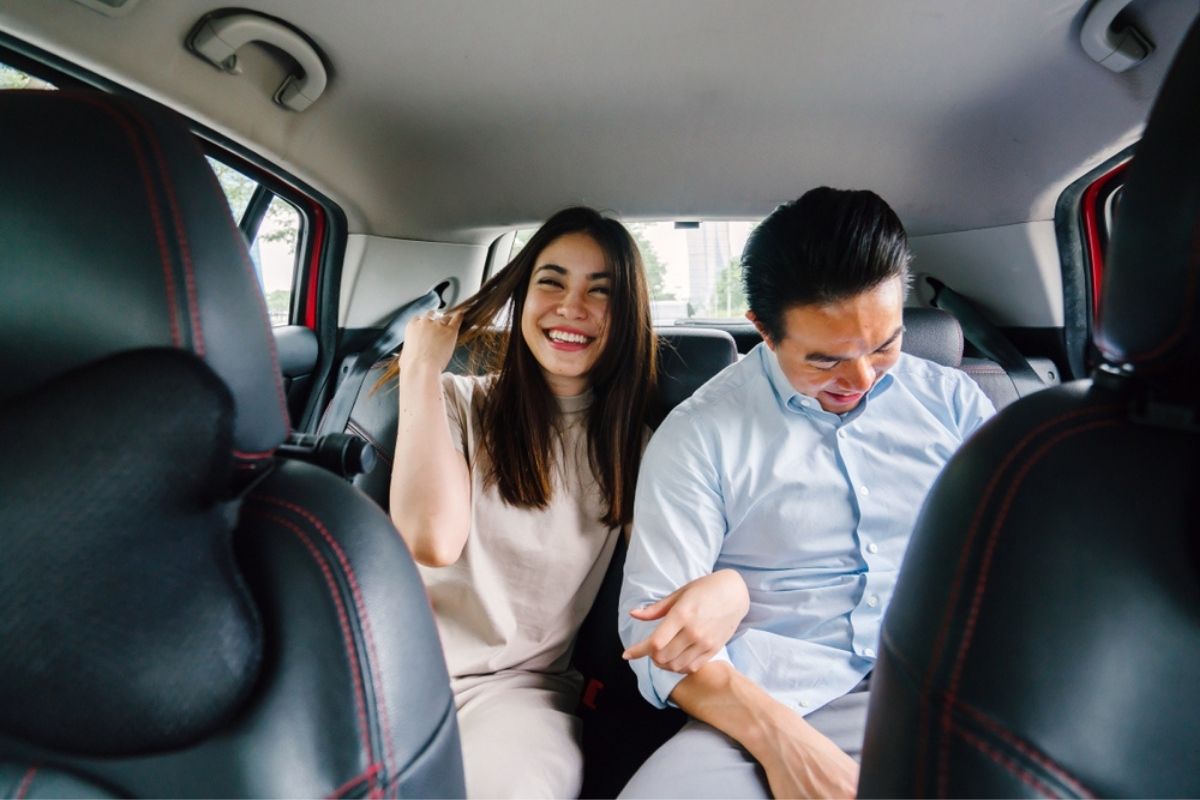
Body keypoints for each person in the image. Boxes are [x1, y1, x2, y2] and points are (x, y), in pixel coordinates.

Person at [618, 188, 996, 799]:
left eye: (884, 345)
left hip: (959, 684)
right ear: (763, 331)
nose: (863, 379)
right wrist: (781, 741)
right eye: (826, 360)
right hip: (775, 698)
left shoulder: (954, 403)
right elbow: (652, 643)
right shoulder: (698, 434)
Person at [384, 206, 747, 798]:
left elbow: (673, 577)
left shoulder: (636, 448)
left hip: (514, 692)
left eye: (599, 293)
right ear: (521, 297)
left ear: (626, 317)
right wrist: (421, 366)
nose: (571, 307)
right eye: (551, 282)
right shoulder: (454, 399)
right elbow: (431, 536)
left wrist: (729, 587)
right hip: (390, 668)